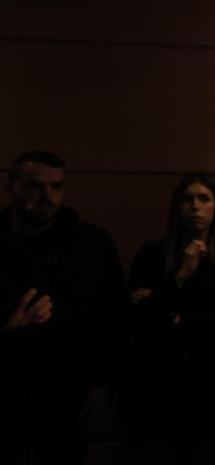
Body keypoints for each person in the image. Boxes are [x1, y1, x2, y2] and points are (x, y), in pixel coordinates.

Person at [0, 150, 124, 465]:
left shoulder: (91, 244)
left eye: (56, 186)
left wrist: (103, 383)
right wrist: (11, 332)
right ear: (9, 188)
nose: (48, 197)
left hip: (68, 400)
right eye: (34, 186)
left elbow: (113, 317)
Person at [124, 174, 215, 465]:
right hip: (160, 387)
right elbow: (139, 323)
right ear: (176, 207)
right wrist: (182, 274)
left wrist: (174, 318)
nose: (195, 206)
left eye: (204, 199)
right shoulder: (152, 254)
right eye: (187, 199)